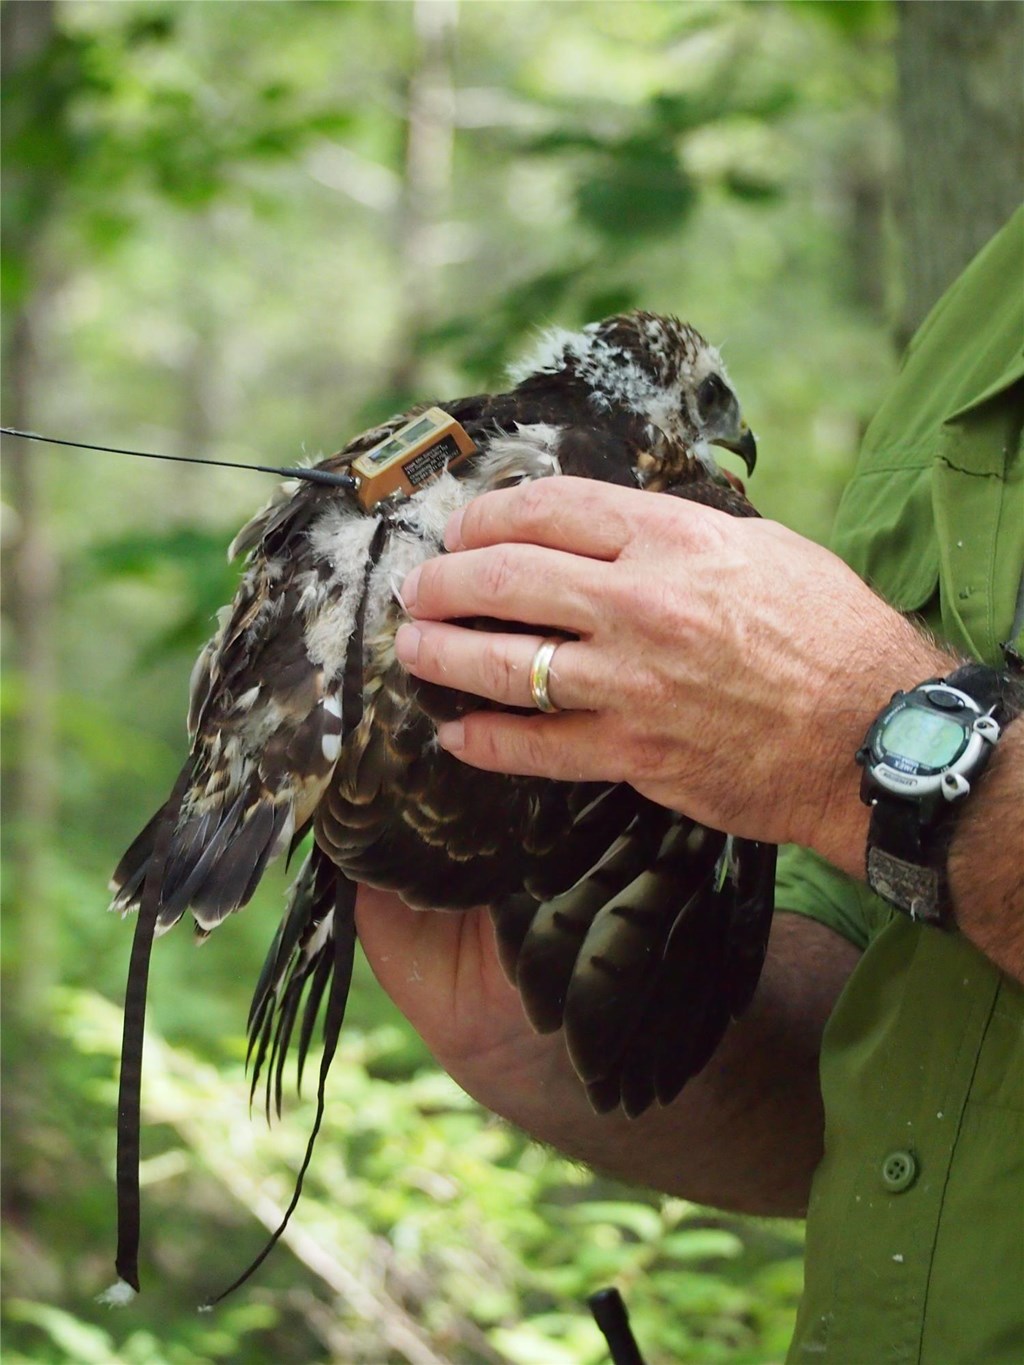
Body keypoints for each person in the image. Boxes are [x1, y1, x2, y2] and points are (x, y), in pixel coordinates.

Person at [355, 206, 1024, 1363]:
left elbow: (870, 767)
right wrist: (549, 1019)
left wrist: (880, 744)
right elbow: (922, 1036)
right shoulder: (991, 304)